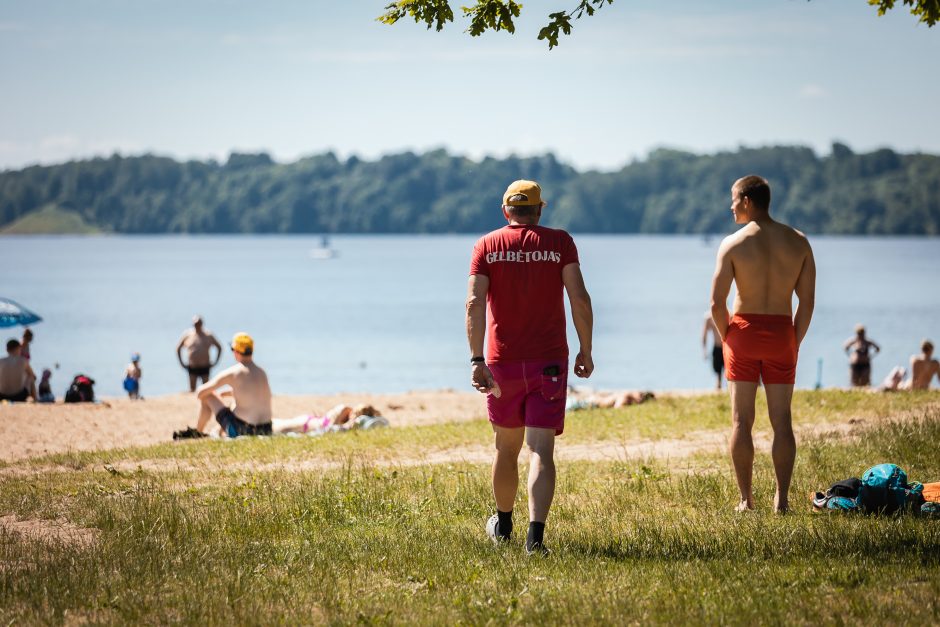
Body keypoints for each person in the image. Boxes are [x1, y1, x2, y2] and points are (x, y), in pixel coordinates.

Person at [466, 179, 594, 554]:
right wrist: (586, 350)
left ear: (506, 211)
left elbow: (474, 303)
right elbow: (580, 299)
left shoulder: (487, 245)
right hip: (549, 361)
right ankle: (534, 540)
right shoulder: (559, 243)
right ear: (540, 210)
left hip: (502, 364)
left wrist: (476, 359)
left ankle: (503, 525)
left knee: (506, 449)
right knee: (541, 450)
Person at [710, 175, 816, 513]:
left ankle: (746, 500)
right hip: (783, 331)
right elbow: (808, 302)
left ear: (746, 200)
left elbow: (716, 303)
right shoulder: (798, 242)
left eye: (733, 200)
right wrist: (793, 340)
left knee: (742, 421)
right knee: (782, 420)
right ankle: (781, 500)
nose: (730, 207)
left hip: (744, 332)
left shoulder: (733, 243)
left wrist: (728, 335)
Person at [193, 332, 273, 437]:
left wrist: (214, 394)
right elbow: (252, 394)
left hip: (241, 430)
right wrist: (229, 393)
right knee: (235, 404)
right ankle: (216, 432)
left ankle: (197, 433)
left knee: (207, 395)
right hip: (266, 430)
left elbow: (200, 392)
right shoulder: (262, 372)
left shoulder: (233, 372)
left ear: (236, 351)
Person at [176, 316, 222, 392]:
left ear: (202, 324)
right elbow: (178, 348)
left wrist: (215, 362)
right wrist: (181, 363)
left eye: (198, 323)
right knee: (192, 390)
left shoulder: (208, 335)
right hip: (192, 367)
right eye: (195, 324)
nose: (197, 325)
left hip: (205, 366)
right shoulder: (188, 335)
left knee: (206, 390)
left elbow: (219, 347)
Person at [702, 312, 724, 390]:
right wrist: (704, 350)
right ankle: (719, 387)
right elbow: (704, 334)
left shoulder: (730, 315)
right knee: (718, 374)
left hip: (727, 348)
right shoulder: (709, 318)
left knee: (730, 374)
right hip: (717, 347)